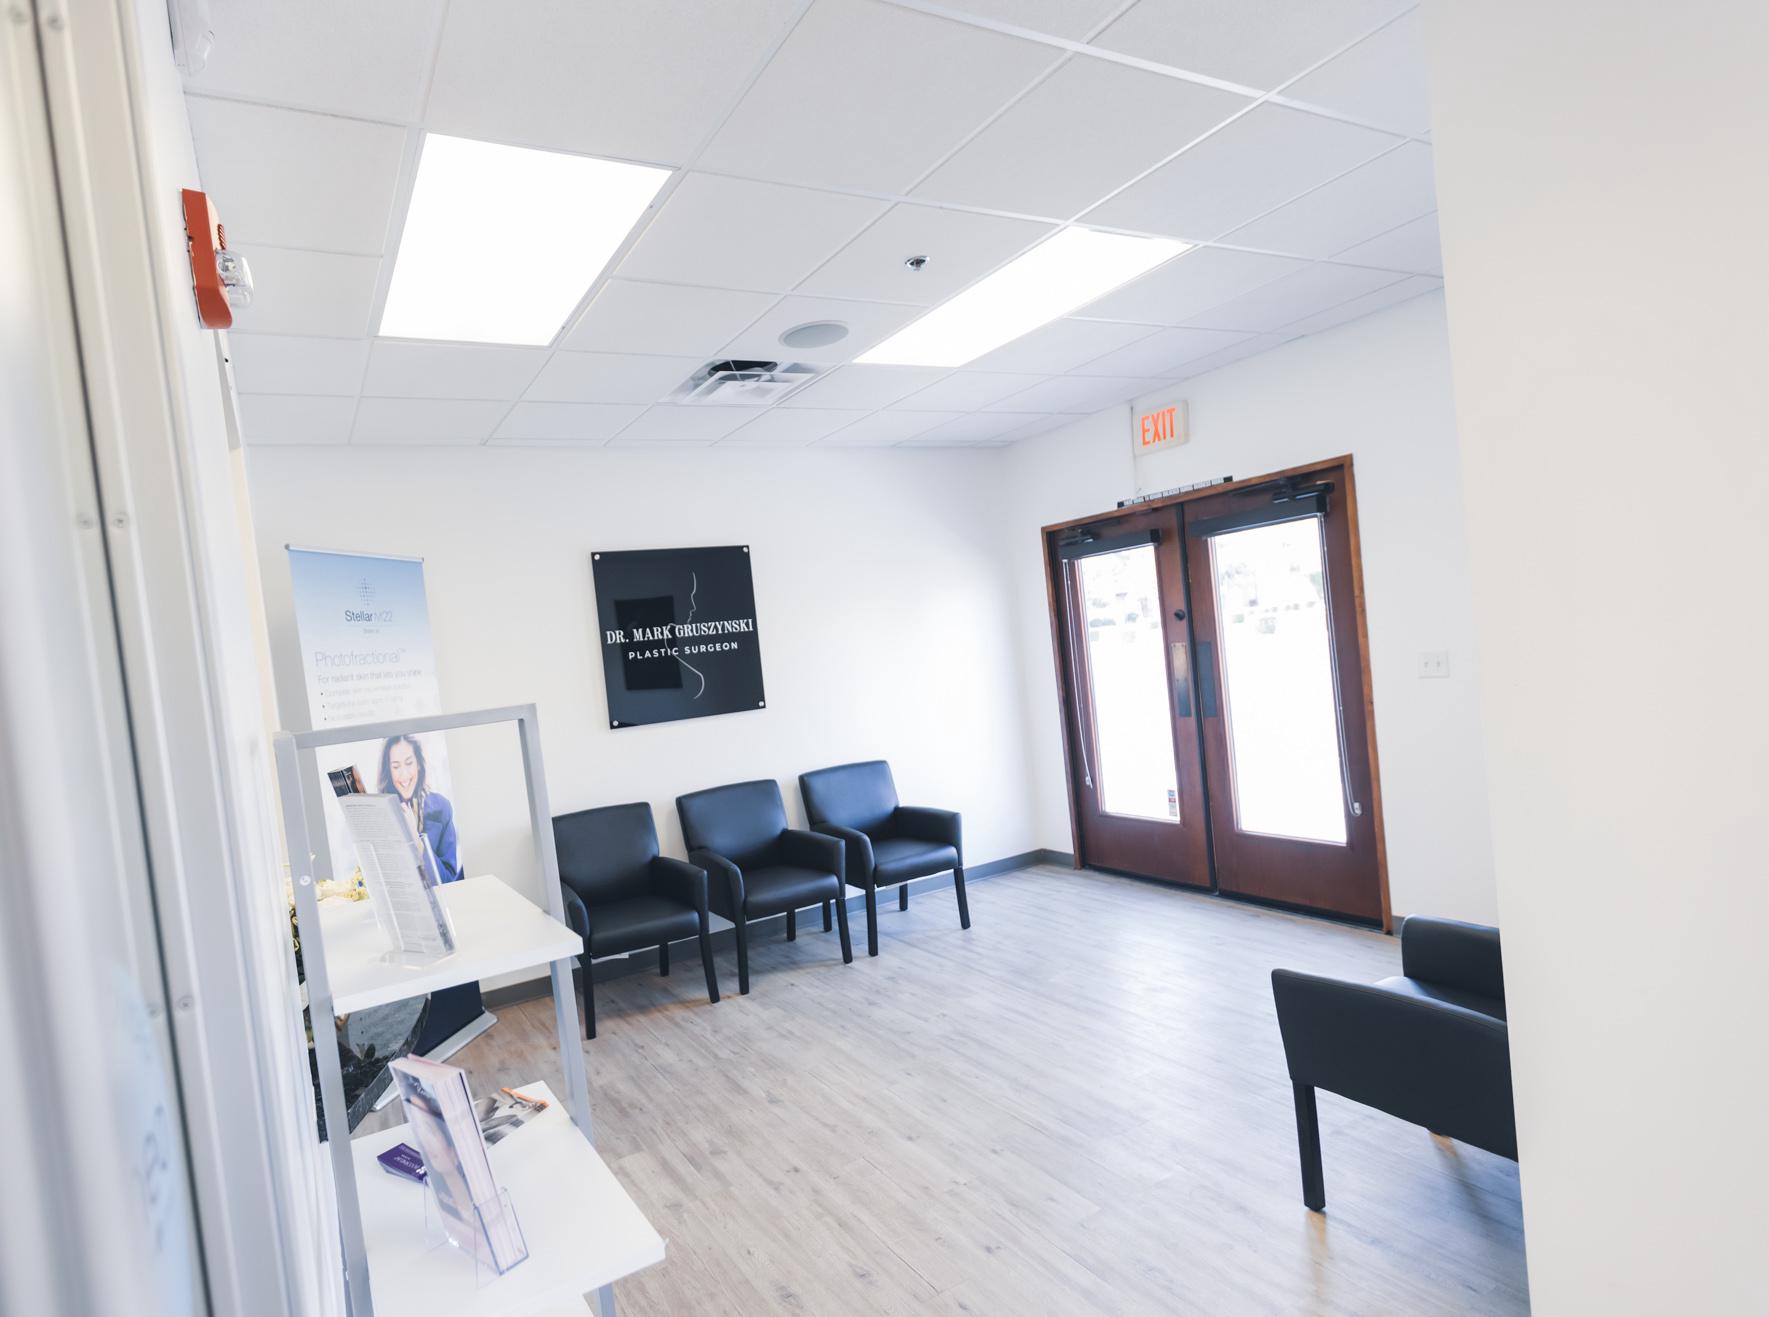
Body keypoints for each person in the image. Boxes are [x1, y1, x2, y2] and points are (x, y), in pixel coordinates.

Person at [377, 734, 461, 884]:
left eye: (409, 763)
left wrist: (418, 842)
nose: (404, 774)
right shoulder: (381, 813)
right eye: (396, 767)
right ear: (388, 771)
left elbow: (449, 881)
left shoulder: (442, 808)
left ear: (418, 764)